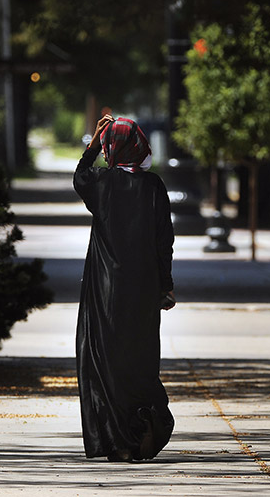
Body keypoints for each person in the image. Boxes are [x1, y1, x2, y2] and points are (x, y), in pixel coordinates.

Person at [73, 114, 176, 462]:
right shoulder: (154, 187)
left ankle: (118, 440)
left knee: (105, 364)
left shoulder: (102, 184)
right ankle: (142, 424)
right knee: (141, 361)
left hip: (106, 292)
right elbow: (165, 242)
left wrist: (91, 147)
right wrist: (167, 287)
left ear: (109, 147)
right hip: (144, 290)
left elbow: (80, 177)